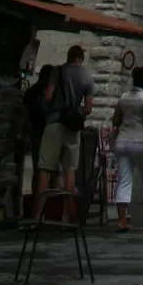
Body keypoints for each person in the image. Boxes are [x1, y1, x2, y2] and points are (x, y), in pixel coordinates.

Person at [34, 44, 94, 210]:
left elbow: (48, 96)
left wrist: (49, 108)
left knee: (45, 168)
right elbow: (88, 109)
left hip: (54, 122)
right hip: (73, 127)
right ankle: (67, 216)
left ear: (68, 56)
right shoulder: (87, 77)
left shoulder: (57, 71)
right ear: (81, 58)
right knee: (70, 170)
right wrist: (76, 112)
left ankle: (38, 214)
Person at [111, 65, 143, 232]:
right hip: (140, 141)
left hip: (122, 142)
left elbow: (115, 120)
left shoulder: (123, 98)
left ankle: (121, 220)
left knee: (124, 180)